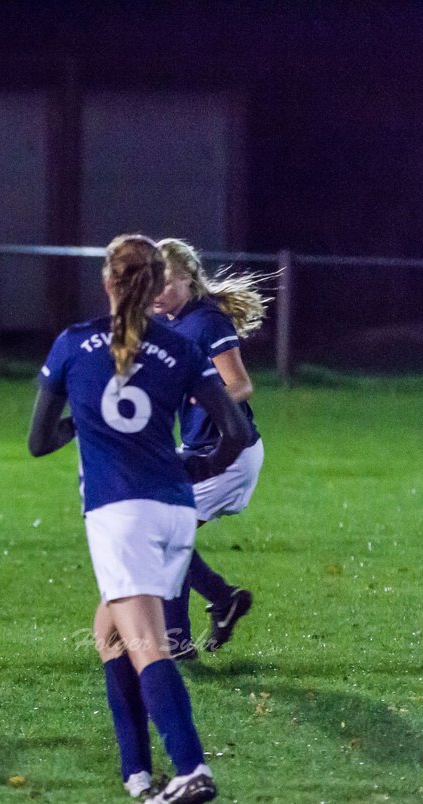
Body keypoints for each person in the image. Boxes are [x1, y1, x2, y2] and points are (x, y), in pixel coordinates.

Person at [28, 234, 251, 804]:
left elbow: (37, 441)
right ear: (154, 286)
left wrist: (81, 424)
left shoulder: (74, 345)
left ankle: (190, 766)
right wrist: (200, 465)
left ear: (108, 281)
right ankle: (136, 773)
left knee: (147, 643)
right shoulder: (180, 349)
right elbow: (235, 430)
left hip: (120, 513)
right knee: (108, 632)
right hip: (176, 510)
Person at [154, 239, 273, 657]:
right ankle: (221, 604)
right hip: (197, 449)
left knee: (164, 537)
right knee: (165, 536)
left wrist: (204, 396)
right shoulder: (162, 321)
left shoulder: (207, 322)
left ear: (187, 277)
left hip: (230, 453)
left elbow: (241, 385)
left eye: (164, 281)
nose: (155, 289)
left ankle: (180, 637)